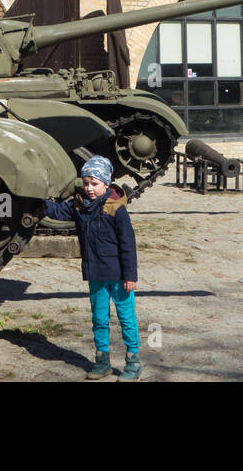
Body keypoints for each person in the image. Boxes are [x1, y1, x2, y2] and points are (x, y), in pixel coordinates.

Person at [42, 155, 141, 380]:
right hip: (95, 274)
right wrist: (37, 202)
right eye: (86, 183)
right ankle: (102, 361)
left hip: (118, 276)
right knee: (99, 318)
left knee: (126, 318)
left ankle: (133, 362)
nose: (89, 189)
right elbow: (57, 212)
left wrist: (130, 275)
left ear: (106, 184)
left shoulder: (117, 209)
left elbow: (128, 244)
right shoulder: (79, 206)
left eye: (94, 184)